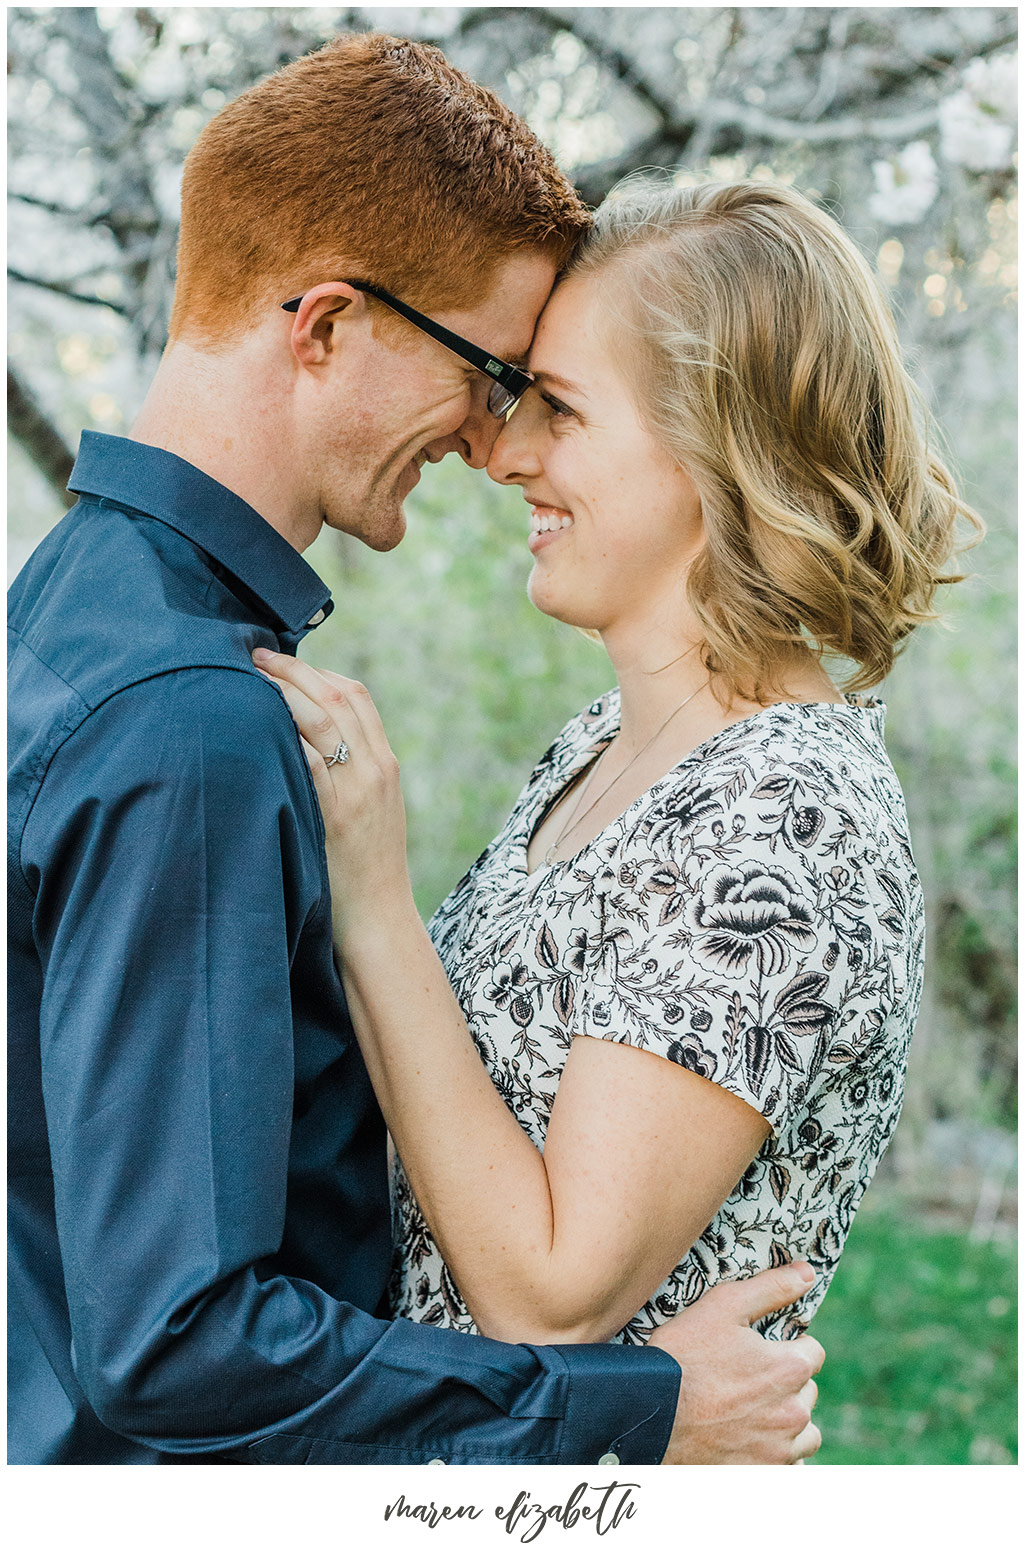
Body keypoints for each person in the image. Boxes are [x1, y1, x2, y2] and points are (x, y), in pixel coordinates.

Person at [8, 38, 824, 1466]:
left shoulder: (60, 612)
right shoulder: (191, 718)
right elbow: (177, 1337)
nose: (488, 436)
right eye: (487, 369)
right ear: (326, 324)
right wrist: (633, 1407)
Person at [256, 179, 978, 1368]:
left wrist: (373, 893)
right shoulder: (602, 743)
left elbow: (550, 1297)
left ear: (717, 446)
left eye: (562, 410)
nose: (504, 451)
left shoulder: (782, 822)